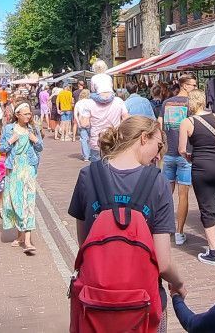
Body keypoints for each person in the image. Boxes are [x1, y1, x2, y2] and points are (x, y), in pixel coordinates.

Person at [68, 115, 185, 331]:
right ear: (143, 138)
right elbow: (164, 263)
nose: (158, 154)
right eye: (158, 145)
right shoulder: (157, 182)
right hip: (142, 303)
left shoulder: (87, 175)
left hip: (94, 302)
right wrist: (178, 284)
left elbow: (84, 245)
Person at [178, 89, 215, 266]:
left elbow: (182, 149)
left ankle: (213, 253)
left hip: (202, 168)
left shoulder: (187, 122)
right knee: (213, 205)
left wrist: (189, 158)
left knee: (207, 209)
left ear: (190, 103)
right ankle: (213, 243)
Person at [0, 101, 43, 254]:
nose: (28, 116)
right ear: (17, 115)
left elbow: (40, 147)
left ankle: (28, 240)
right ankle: (20, 235)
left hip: (29, 168)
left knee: (28, 202)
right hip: (14, 169)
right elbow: (2, 148)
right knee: (16, 201)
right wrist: (11, 140)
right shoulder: (9, 129)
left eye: (29, 113)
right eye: (25, 114)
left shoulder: (32, 129)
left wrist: (35, 139)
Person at [161, 73, 197, 246]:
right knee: (183, 196)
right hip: (185, 154)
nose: (194, 88)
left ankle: (164, 228)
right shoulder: (191, 105)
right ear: (184, 85)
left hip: (169, 154)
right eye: (192, 85)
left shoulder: (166, 103)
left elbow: (160, 125)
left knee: (166, 194)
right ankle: (179, 232)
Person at [87, 74, 128, 162]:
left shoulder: (89, 103)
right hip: (114, 139)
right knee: (114, 171)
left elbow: (84, 123)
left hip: (96, 141)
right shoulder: (119, 101)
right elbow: (126, 119)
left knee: (96, 172)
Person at [73, 88, 91, 161]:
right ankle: (90, 154)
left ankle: (86, 156)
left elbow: (75, 114)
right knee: (91, 139)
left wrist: (78, 123)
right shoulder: (91, 102)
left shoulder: (78, 103)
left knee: (83, 140)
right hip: (90, 122)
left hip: (81, 122)